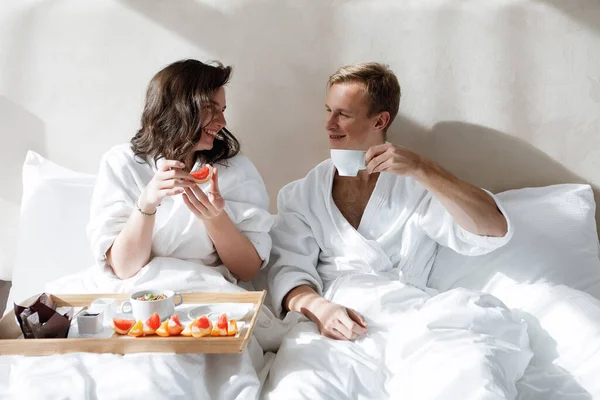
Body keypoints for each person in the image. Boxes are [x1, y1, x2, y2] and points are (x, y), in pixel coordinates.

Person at [264, 63, 531, 399]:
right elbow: (288, 272)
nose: (328, 124)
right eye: (329, 111)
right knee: (302, 388)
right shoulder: (303, 193)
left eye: (343, 114)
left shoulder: (415, 184)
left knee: (470, 372)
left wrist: (424, 169)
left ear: (380, 121)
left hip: (413, 318)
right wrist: (320, 308)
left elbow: (492, 228)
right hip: (336, 323)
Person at [87, 59, 273, 285]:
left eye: (223, 110)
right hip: (138, 296)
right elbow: (124, 269)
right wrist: (146, 204)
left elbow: (248, 271)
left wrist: (215, 219)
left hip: (211, 292)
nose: (222, 122)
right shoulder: (121, 163)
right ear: (178, 108)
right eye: (211, 109)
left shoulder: (235, 169)